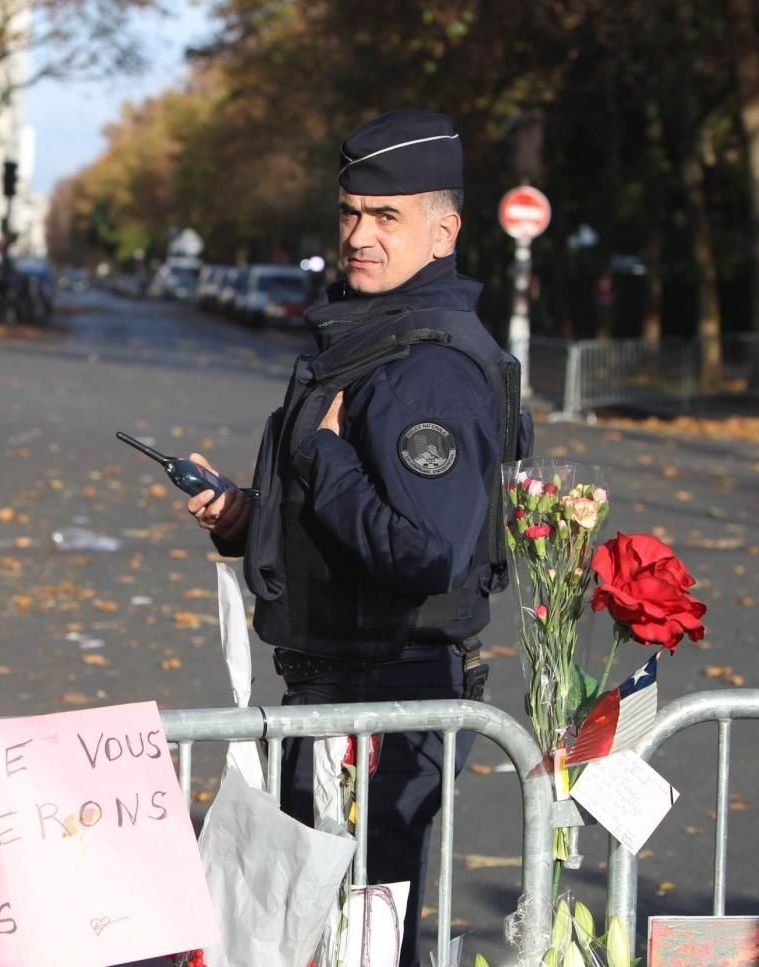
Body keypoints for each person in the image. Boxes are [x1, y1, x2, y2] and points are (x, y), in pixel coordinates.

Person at [183, 108, 529, 966]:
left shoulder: (428, 364)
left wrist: (326, 458)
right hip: (345, 693)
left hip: (383, 701)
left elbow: (422, 549)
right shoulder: (375, 341)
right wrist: (249, 513)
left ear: (443, 230)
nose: (359, 236)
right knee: (332, 937)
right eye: (350, 213)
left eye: (387, 217)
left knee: (358, 941)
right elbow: (351, 517)